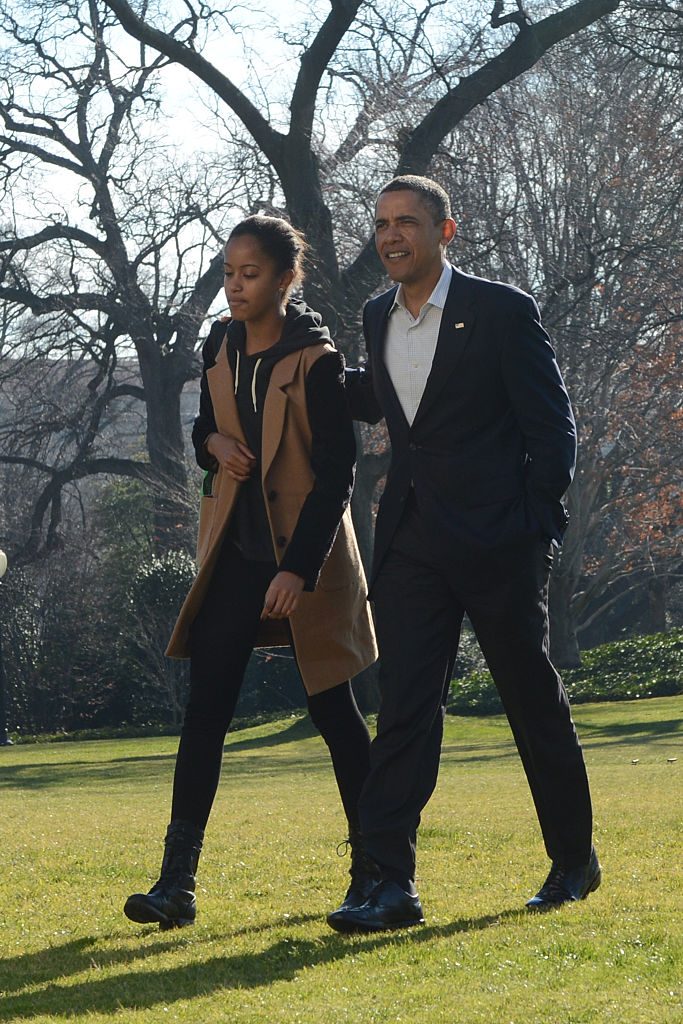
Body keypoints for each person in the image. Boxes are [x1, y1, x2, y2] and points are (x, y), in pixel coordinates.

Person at [327, 175, 600, 933]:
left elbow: (553, 429)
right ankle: (389, 883)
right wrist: (308, 376)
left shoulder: (502, 310)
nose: (390, 236)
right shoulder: (375, 313)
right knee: (405, 709)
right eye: (381, 224)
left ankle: (572, 860)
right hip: (412, 540)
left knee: (527, 700)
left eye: (406, 223)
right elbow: (398, 403)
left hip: (499, 541)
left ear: (445, 233)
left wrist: (535, 525)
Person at [124, 215, 378, 931]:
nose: (235, 286)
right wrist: (214, 442)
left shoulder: (317, 360)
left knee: (334, 713)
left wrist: (298, 570)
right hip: (234, 554)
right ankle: (176, 884)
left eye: (250, 274)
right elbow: (202, 432)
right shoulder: (219, 346)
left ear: (284, 279)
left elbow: (337, 477)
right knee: (205, 714)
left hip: (309, 557)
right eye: (229, 272)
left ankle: (374, 873)